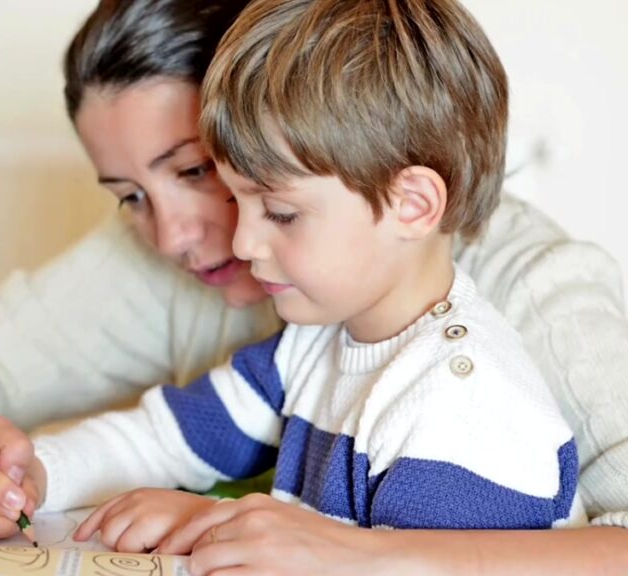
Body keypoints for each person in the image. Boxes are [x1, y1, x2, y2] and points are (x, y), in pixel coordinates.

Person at [0, 0, 628, 572]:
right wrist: (21, 471)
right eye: (128, 195)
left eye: (197, 172)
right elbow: (169, 435)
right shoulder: (322, 333)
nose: (175, 238)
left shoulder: (480, 372)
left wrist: (247, 531)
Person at [29, 0, 585, 550]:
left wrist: (215, 522)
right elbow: (165, 437)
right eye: (236, 199)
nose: (244, 242)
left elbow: (389, 563)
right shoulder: (312, 344)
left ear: (411, 205)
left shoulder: (465, 410)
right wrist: (33, 475)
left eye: (280, 213)